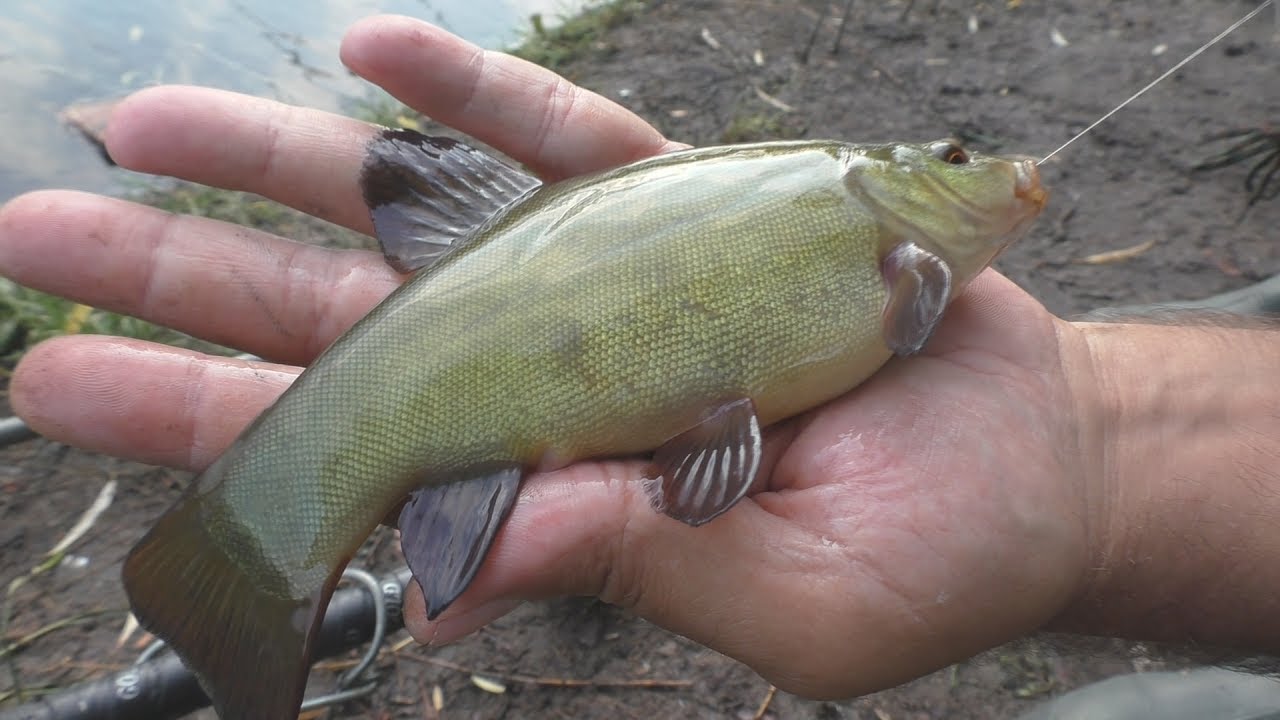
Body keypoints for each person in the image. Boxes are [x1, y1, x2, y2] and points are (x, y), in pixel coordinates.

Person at [1, 14, 1278, 703]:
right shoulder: (876, 224)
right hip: (498, 339)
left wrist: (1094, 446)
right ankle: (252, 539)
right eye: (954, 159)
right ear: (909, 183)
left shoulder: (902, 260)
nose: (989, 178)